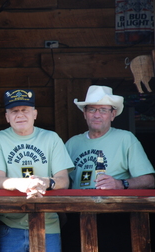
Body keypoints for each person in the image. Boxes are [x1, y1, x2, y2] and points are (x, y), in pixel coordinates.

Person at [64, 85, 155, 251]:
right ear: (84, 113)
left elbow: (149, 180)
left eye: (103, 110)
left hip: (115, 218)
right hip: (78, 217)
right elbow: (62, 181)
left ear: (113, 114)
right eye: (92, 109)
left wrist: (120, 184)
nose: (97, 115)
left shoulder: (126, 139)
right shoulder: (71, 144)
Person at [0, 89, 74, 252]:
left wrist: (46, 182)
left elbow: (64, 180)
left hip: (48, 224)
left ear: (35, 114)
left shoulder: (51, 138)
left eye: (25, 110)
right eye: (14, 111)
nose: (20, 115)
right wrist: (20, 184)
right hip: (10, 225)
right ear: (6, 116)